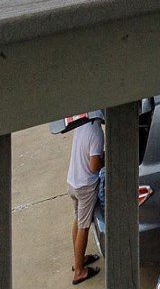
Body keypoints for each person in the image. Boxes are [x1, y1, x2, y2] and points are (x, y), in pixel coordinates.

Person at [61, 112, 105, 283]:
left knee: (78, 220)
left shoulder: (81, 125)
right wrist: (105, 159)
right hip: (85, 186)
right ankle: (79, 271)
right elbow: (94, 166)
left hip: (72, 181)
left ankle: (79, 259)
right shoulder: (97, 133)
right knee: (83, 227)